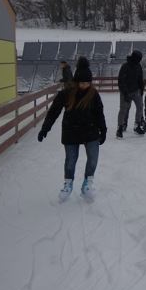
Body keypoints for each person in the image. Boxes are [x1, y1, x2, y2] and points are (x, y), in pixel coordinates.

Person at [37, 57, 106, 203]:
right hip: (71, 131)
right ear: (76, 81)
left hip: (90, 130)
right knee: (70, 161)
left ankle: (87, 184)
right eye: (82, 83)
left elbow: (99, 113)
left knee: (93, 159)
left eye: (88, 83)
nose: (85, 86)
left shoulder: (93, 94)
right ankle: (68, 184)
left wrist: (103, 130)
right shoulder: (66, 94)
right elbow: (53, 112)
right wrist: (45, 129)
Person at [117, 50, 145, 138]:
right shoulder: (125, 66)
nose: (139, 61)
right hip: (125, 92)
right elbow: (121, 81)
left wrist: (141, 89)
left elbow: (140, 78)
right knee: (123, 109)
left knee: (140, 107)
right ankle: (120, 127)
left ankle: (137, 125)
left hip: (136, 91)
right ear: (134, 58)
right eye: (138, 59)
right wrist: (125, 93)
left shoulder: (138, 66)